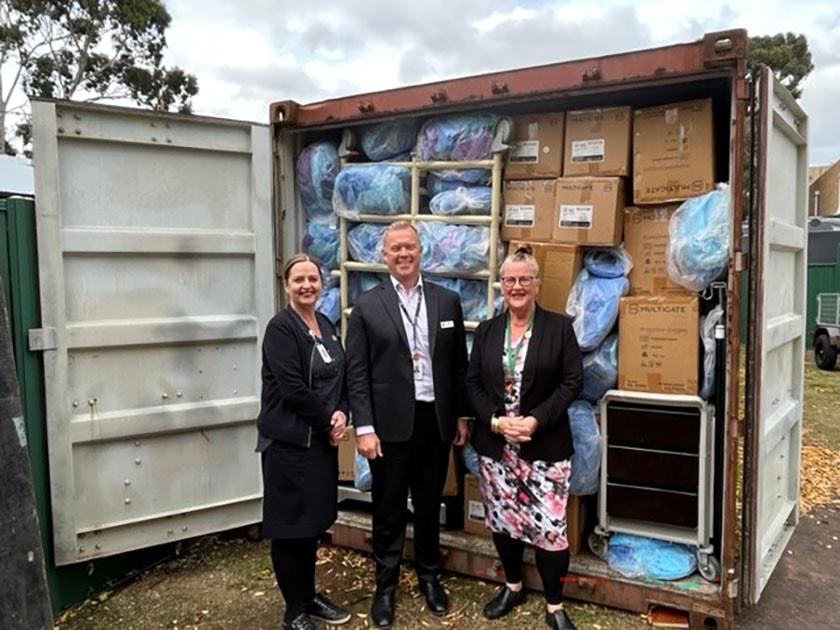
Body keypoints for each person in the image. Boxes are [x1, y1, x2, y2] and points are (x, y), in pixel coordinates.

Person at [345, 221, 470, 628]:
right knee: (389, 508)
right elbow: (357, 373)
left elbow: (458, 366)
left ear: (421, 251)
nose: (403, 254)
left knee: (430, 505)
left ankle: (429, 577)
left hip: (435, 420)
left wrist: (461, 414)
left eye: (409, 247)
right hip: (389, 426)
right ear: (384, 255)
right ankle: (385, 586)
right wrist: (364, 427)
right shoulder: (367, 305)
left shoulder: (447, 301)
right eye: (395, 248)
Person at [465, 245, 584, 630]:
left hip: (544, 447)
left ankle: (554, 605)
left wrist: (535, 420)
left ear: (537, 283)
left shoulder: (559, 328)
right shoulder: (487, 330)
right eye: (509, 280)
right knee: (503, 522)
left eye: (524, 280)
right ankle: (513, 586)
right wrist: (495, 422)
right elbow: (472, 383)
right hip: (498, 448)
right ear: (501, 284)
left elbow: (572, 382)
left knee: (551, 529)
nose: (516, 287)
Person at [256, 254, 353, 630]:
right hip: (289, 443)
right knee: (289, 527)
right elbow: (293, 388)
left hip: (320, 442)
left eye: (313, 279)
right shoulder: (280, 330)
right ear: (286, 285)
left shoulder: (325, 324)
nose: (307, 285)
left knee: (312, 524)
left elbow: (341, 376)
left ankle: (309, 595)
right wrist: (327, 422)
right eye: (299, 280)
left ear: (321, 284)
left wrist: (342, 411)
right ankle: (293, 610)